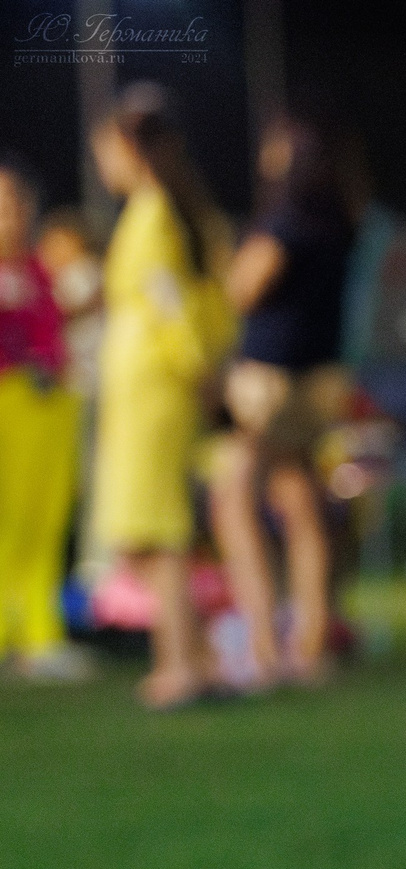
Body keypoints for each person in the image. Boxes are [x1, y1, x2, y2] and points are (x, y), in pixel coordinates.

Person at [89, 87, 235, 710]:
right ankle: (198, 659)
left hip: (152, 393)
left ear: (129, 149)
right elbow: (211, 304)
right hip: (159, 389)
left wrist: (197, 372)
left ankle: (180, 664)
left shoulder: (152, 214)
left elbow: (169, 306)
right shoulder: (189, 212)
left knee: (155, 534)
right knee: (153, 532)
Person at [208, 112, 360, 688]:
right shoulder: (340, 220)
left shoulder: (286, 219)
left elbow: (244, 287)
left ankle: (264, 646)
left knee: (234, 499)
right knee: (299, 501)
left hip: (271, 381)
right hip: (322, 380)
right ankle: (313, 642)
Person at [0, 160, 89, 682]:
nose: (12, 214)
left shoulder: (36, 269)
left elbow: (48, 330)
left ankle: (39, 633)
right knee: (9, 524)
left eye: (17, 202)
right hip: (11, 405)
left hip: (48, 408)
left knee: (45, 523)